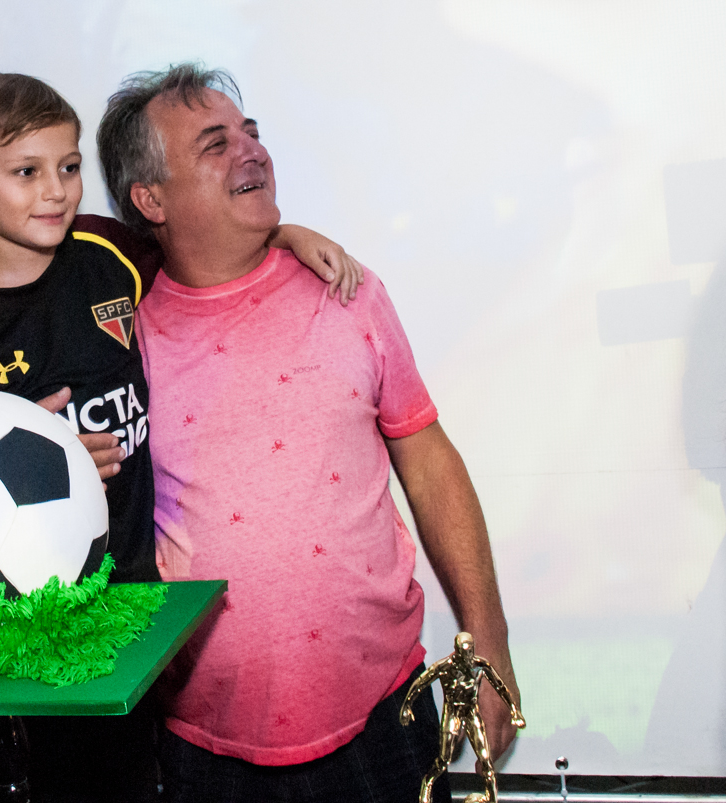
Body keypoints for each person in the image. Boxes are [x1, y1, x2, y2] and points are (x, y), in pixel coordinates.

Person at [0, 72, 363, 803]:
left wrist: (287, 234)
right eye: (25, 172)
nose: (55, 191)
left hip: (146, 617)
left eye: (69, 168)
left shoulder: (107, 251)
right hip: (42, 645)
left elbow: (206, 244)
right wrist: (37, 467)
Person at [97, 63, 521, 803]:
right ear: (150, 198)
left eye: (252, 134)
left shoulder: (347, 288)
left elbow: (427, 461)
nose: (252, 152)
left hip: (385, 725)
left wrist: (490, 647)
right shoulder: (123, 342)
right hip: (202, 752)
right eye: (215, 144)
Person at [400, 632, 526, 803]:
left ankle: (491, 797)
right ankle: (428, 785)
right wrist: (407, 705)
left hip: (471, 712)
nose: (467, 656)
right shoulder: (445, 666)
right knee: (443, 760)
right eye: (464, 652)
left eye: (470, 651)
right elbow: (421, 682)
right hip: (453, 713)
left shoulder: (480, 665)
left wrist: (514, 710)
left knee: (486, 761)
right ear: (457, 651)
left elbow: (500, 686)